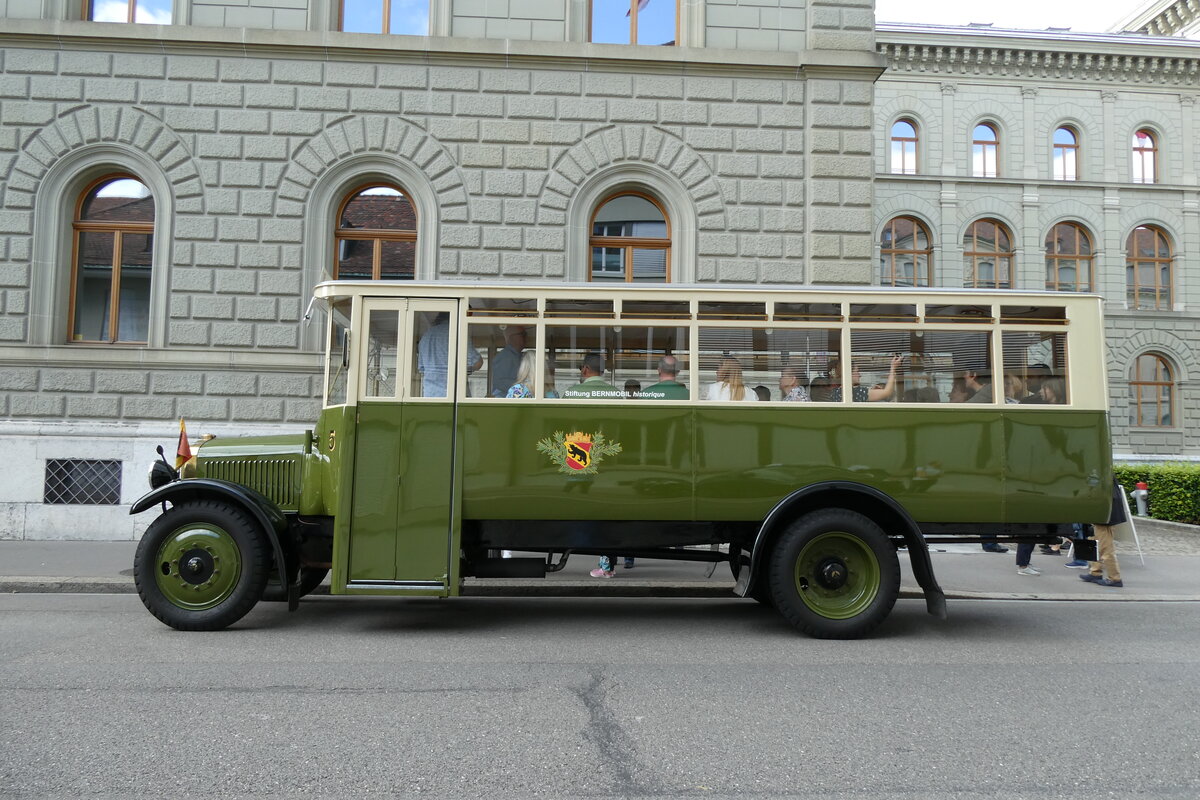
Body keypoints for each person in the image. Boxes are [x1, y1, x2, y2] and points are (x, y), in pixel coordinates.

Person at [417, 312, 482, 397]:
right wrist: (465, 370)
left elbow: (422, 368)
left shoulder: (426, 336)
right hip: (454, 395)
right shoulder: (458, 334)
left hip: (430, 395)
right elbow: (478, 363)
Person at [1080, 482, 1125, 587]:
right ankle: (1095, 571)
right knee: (1096, 543)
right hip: (1102, 509)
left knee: (1105, 547)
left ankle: (1114, 578)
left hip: (1104, 511)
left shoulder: (1101, 472)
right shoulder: (1101, 470)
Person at [829, 355, 902, 402]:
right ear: (849, 374)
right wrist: (893, 368)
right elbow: (887, 392)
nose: (859, 375)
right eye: (857, 371)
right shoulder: (856, 392)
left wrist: (871, 391)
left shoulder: (835, 392)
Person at [489, 325, 528, 397]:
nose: (526, 337)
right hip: (504, 401)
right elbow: (499, 382)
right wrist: (523, 385)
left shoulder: (516, 356)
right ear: (511, 338)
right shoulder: (505, 357)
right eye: (522, 334)